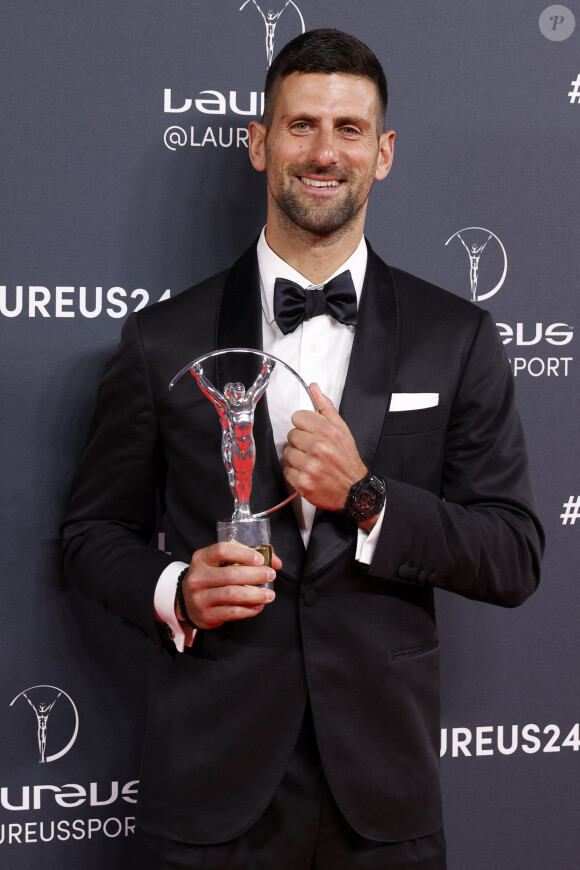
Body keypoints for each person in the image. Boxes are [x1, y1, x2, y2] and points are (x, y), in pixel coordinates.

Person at [62, 29, 543, 869]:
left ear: (383, 153)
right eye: (301, 125)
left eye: (350, 129)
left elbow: (512, 554)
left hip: (383, 794)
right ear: (258, 142)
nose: (325, 152)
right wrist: (176, 587)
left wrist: (369, 498)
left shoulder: (456, 337)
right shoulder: (160, 340)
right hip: (211, 786)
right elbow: (91, 536)